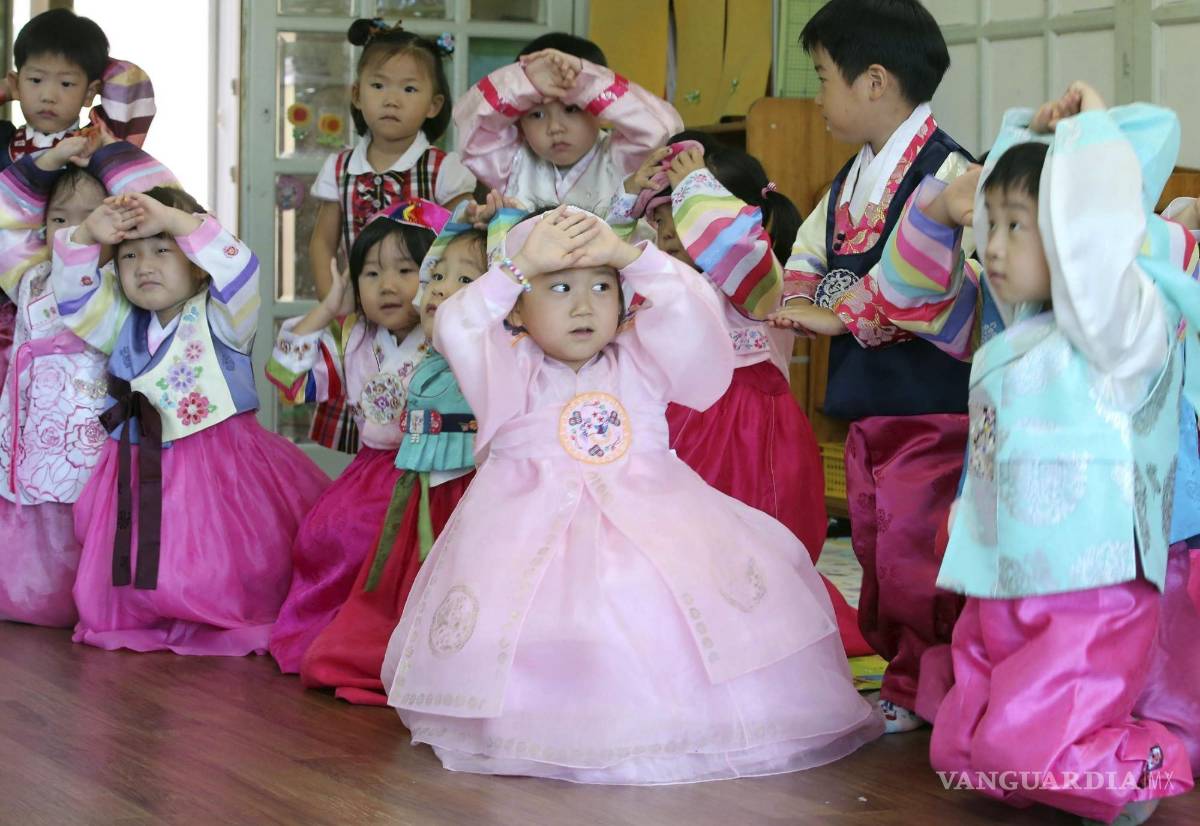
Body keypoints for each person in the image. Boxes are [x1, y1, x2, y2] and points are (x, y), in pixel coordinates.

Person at [379, 205, 882, 783]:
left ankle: (682, 724)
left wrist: (630, 257)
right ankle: (548, 725)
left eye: (602, 287)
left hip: (653, 520)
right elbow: (455, 325)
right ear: (516, 306)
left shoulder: (642, 358)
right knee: (556, 626)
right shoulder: (508, 368)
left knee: (659, 614)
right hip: (525, 532)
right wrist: (517, 267)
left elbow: (693, 309)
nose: (584, 306)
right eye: (559, 287)